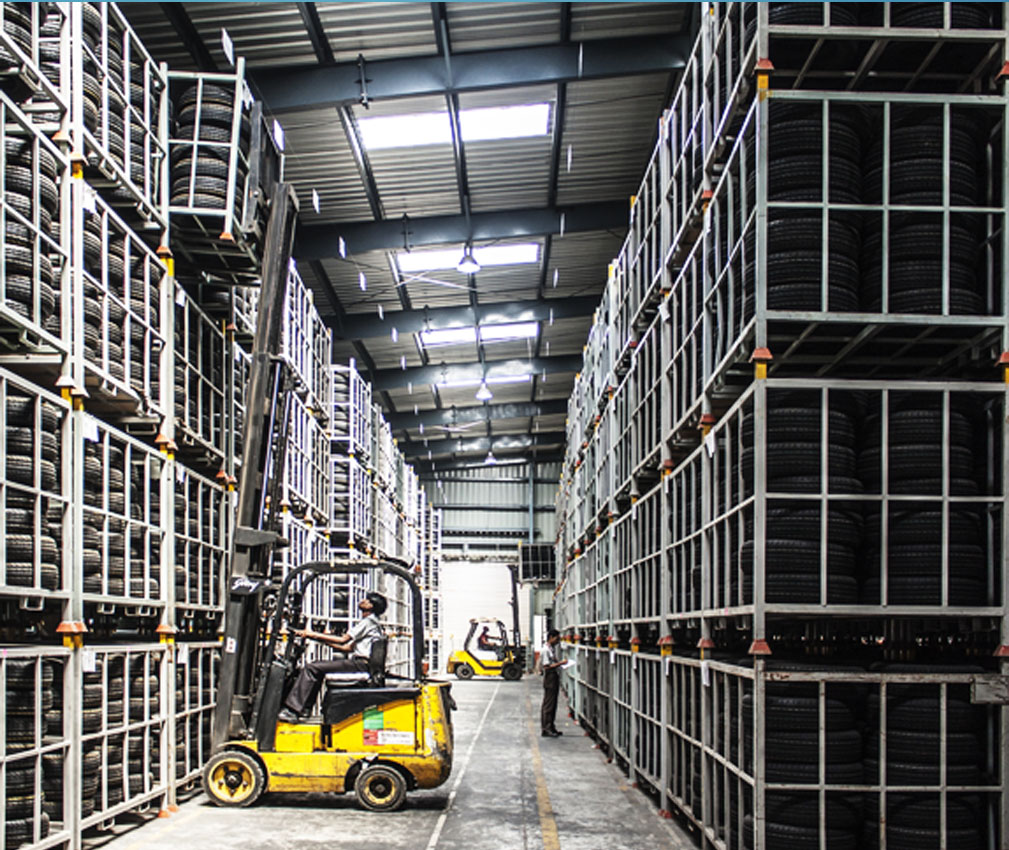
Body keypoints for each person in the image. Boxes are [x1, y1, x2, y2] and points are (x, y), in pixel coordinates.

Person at [278, 591, 386, 722]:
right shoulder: (374, 623)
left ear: (371, 606)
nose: (363, 601)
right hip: (362, 664)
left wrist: (312, 634)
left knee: (312, 668)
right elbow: (347, 648)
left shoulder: (368, 622)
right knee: (317, 668)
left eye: (367, 600)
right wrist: (318, 639)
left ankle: (292, 710)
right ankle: (304, 709)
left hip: (360, 664)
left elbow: (343, 640)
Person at [539, 629, 563, 737]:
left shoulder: (550, 649)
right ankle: (546, 728)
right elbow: (546, 666)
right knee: (548, 704)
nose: (558, 641)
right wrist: (561, 663)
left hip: (554, 677)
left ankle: (551, 726)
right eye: (557, 639)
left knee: (553, 703)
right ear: (551, 637)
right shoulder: (545, 650)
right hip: (550, 677)